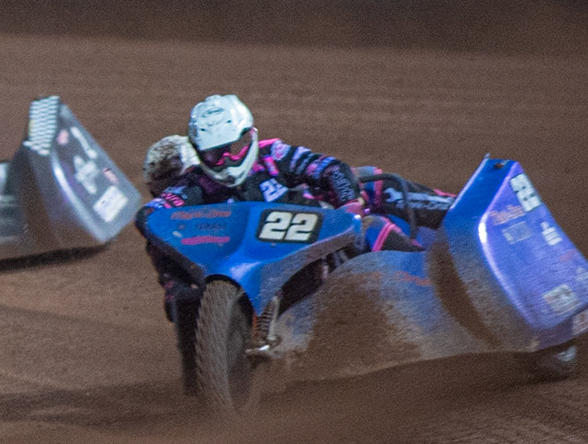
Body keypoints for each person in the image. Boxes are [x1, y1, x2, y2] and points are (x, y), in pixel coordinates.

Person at [134, 95, 455, 393]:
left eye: (234, 149)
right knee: (187, 300)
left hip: (319, 236)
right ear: (200, 157)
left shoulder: (273, 155)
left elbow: (333, 169)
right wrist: (177, 286)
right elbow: (153, 218)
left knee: (372, 211)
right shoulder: (194, 191)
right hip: (257, 272)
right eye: (215, 155)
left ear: (250, 137)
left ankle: (440, 265)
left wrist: (349, 207)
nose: (227, 161)